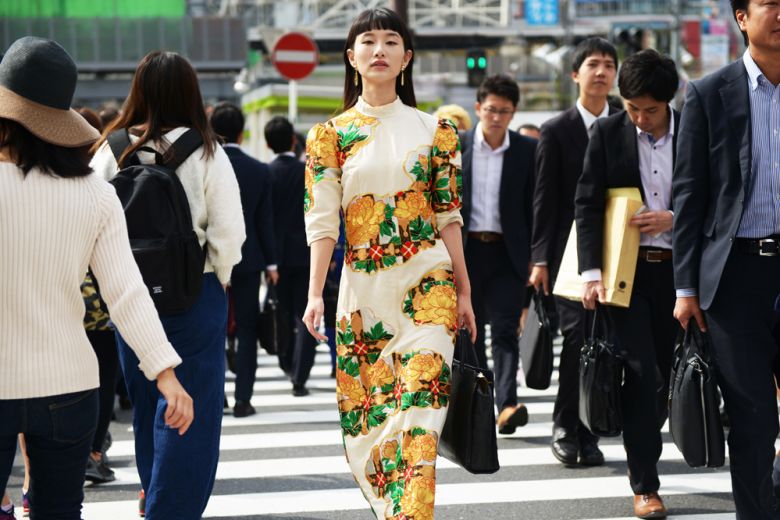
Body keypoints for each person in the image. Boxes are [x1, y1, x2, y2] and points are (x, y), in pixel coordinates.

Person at [0, 36, 193, 520]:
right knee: (60, 510)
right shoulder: (93, 193)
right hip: (70, 386)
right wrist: (165, 373)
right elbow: (126, 292)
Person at [301, 8, 476, 518]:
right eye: (368, 41)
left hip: (430, 290)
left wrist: (463, 291)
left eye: (391, 41)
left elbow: (449, 216)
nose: (380, 50)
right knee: (373, 424)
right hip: (364, 300)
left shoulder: (437, 129)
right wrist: (315, 293)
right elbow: (322, 223)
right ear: (351, 58)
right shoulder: (328, 136)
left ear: (407, 57)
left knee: (419, 420)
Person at [90, 50, 245, 519]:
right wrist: (217, 280)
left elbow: (92, 219)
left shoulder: (112, 147)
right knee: (190, 417)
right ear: (189, 92)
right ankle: (167, 510)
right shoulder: (206, 151)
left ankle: (153, 493)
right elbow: (228, 235)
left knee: (148, 404)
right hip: (193, 296)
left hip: (129, 299)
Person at [672, 0, 780, 517]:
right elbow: (689, 195)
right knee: (754, 415)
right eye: (772, 5)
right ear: (742, 17)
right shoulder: (710, 93)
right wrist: (685, 289)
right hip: (735, 276)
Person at [575, 49, 680, 519]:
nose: (640, 118)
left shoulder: (694, 131)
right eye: (632, 107)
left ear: (668, 103)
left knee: (669, 376)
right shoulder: (607, 132)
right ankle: (645, 485)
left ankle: (652, 441)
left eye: (650, 110)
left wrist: (673, 218)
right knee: (642, 376)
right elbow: (587, 203)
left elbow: (716, 194)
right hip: (627, 277)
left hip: (683, 274)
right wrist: (591, 275)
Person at [529, 37, 620, 468]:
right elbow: (544, 200)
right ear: (576, 74)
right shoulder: (556, 130)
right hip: (568, 257)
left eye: (608, 65)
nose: (601, 72)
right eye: (593, 65)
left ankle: (592, 425)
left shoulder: (626, 120)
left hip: (619, 249)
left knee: (606, 341)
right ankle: (567, 426)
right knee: (576, 340)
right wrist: (540, 259)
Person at [459, 74, 536, 434]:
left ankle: (507, 404)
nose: (496, 117)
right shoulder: (455, 147)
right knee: (469, 330)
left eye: (504, 111)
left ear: (514, 113)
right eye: (490, 109)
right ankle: (477, 403)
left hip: (508, 254)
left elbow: (534, 207)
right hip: (466, 251)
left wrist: (537, 258)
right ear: (478, 108)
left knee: (505, 330)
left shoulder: (526, 150)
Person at [210, 102, 278, 417]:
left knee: (214, 327)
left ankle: (217, 395)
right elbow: (266, 221)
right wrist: (271, 264)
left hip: (209, 260)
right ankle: (243, 399)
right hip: (249, 260)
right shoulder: (259, 169)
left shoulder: (203, 164)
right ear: (241, 131)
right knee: (248, 329)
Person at [265, 116, 318, 396]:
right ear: (294, 141)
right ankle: (300, 376)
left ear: (266, 143)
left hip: (276, 256)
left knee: (281, 313)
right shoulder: (306, 171)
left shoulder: (266, 172)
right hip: (306, 253)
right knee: (305, 315)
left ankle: (286, 362)